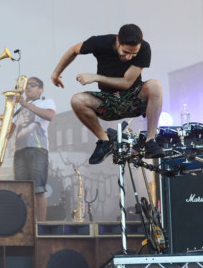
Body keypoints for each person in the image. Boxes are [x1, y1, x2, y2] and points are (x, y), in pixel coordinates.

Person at [51, 23, 165, 164]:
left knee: (155, 85)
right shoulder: (99, 43)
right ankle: (104, 140)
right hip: (109, 101)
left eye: (133, 54)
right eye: (125, 53)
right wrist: (56, 74)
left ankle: (150, 140)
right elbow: (73, 50)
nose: (129, 57)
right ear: (118, 41)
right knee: (77, 100)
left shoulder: (144, 48)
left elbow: (126, 83)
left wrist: (95, 77)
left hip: (134, 98)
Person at [12, 77, 56, 221]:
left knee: (38, 189)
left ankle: (41, 226)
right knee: (21, 191)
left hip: (38, 149)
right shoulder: (18, 107)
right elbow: (10, 129)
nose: (28, 87)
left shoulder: (46, 102)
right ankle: (24, 225)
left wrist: (26, 104)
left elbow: (49, 116)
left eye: (32, 84)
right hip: (19, 151)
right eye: (26, 85)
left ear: (40, 89)